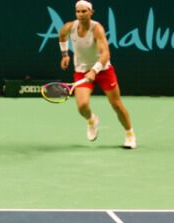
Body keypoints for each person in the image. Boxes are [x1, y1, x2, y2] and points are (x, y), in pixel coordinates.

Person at [58, 0, 136, 149]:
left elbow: (106, 53)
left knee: (117, 105)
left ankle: (129, 134)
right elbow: (62, 36)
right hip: (81, 71)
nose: (81, 14)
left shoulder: (97, 29)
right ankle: (92, 120)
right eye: (78, 12)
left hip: (103, 70)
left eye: (84, 11)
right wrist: (64, 54)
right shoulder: (69, 27)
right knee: (82, 106)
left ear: (91, 12)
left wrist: (94, 70)